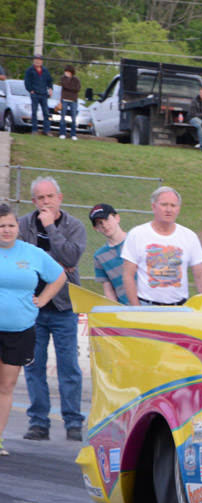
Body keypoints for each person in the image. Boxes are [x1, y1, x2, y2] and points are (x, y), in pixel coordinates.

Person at [17, 177, 87, 441]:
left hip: (64, 306)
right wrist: (53, 263)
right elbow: (18, 260)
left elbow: (70, 258)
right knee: (33, 366)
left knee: (69, 367)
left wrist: (51, 229)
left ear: (60, 197)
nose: (45, 202)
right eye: (40, 198)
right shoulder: (22, 224)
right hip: (31, 306)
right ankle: (38, 423)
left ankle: (73, 423)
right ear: (33, 201)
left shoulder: (74, 226)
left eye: (50, 197)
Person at [0, 203, 67, 456]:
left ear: (18, 227)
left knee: (6, 386)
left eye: (11, 225)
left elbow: (58, 276)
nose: (6, 230)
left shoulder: (32, 253)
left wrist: (44, 299)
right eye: (1, 226)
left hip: (20, 329)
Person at [122, 186, 202, 306]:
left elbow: (200, 276)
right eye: (164, 205)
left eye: (173, 205)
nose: (169, 210)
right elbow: (128, 275)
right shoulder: (137, 234)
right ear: (154, 207)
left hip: (179, 309)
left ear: (178, 209)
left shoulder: (189, 236)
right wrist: (136, 309)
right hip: (146, 307)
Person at [89, 203, 131, 304]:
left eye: (107, 219)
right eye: (99, 223)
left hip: (150, 305)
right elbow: (108, 290)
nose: (104, 225)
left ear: (117, 218)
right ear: (96, 228)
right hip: (126, 310)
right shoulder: (99, 256)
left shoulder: (136, 239)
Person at [23, 54, 53, 136]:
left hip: (44, 95)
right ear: (33, 60)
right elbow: (27, 82)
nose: (37, 61)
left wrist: (50, 88)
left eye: (39, 60)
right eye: (36, 59)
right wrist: (31, 90)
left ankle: (46, 130)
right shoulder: (30, 70)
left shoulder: (45, 70)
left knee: (46, 113)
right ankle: (34, 130)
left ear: (42, 61)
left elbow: (50, 80)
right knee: (34, 113)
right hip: (35, 94)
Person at [57, 65, 81, 140]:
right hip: (64, 99)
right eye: (65, 71)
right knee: (62, 117)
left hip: (73, 100)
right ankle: (62, 133)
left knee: (73, 118)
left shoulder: (76, 79)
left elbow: (77, 88)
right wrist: (68, 81)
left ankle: (73, 134)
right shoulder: (63, 78)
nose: (66, 73)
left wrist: (69, 87)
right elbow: (65, 85)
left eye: (68, 72)